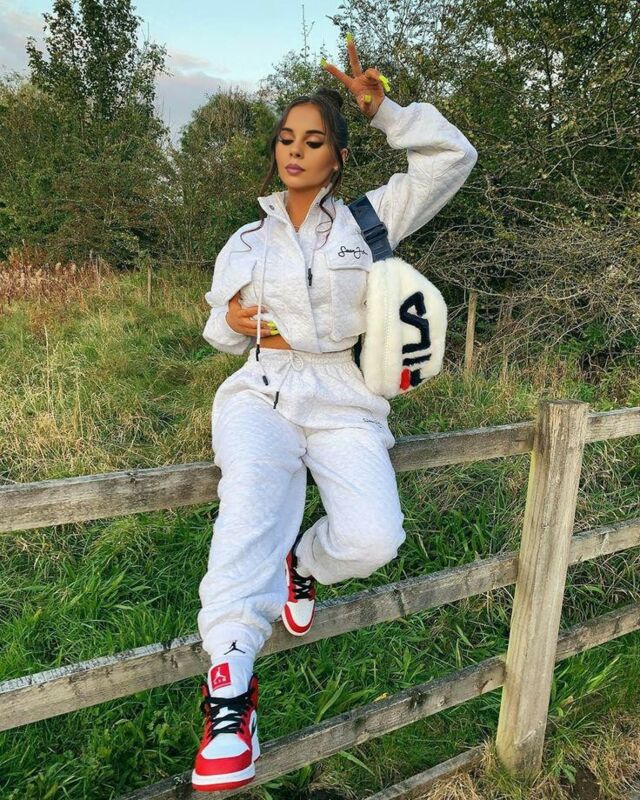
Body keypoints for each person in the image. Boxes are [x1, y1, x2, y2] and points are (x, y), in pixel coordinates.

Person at [191, 36, 478, 793]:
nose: (295, 150)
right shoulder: (245, 241)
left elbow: (453, 157)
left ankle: (303, 564)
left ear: (337, 157)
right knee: (247, 514)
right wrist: (234, 318)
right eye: (287, 138)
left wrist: (385, 110)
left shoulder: (369, 221)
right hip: (262, 391)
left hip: (345, 396)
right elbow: (217, 331)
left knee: (376, 537)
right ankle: (230, 695)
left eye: (313, 140)